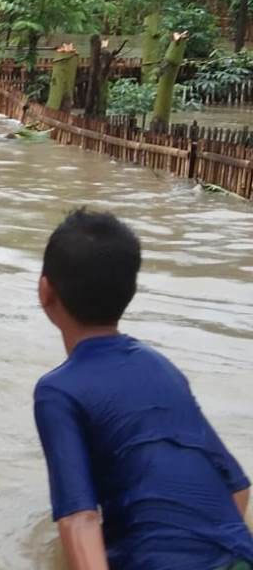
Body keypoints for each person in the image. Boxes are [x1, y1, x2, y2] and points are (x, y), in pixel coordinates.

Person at [34, 209, 253, 570]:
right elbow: (237, 489)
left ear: (45, 290)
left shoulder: (58, 391)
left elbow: (79, 519)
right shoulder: (161, 368)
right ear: (131, 291)